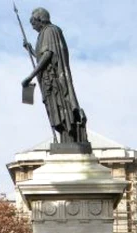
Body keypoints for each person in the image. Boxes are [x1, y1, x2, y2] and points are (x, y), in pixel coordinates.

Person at [22, 7, 87, 144]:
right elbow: (42, 57)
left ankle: (69, 137)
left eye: (34, 23)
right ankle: (66, 138)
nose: (33, 27)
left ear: (40, 19)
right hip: (48, 82)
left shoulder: (50, 30)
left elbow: (48, 55)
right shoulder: (43, 34)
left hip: (54, 81)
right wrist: (31, 50)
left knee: (61, 108)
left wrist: (30, 76)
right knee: (56, 111)